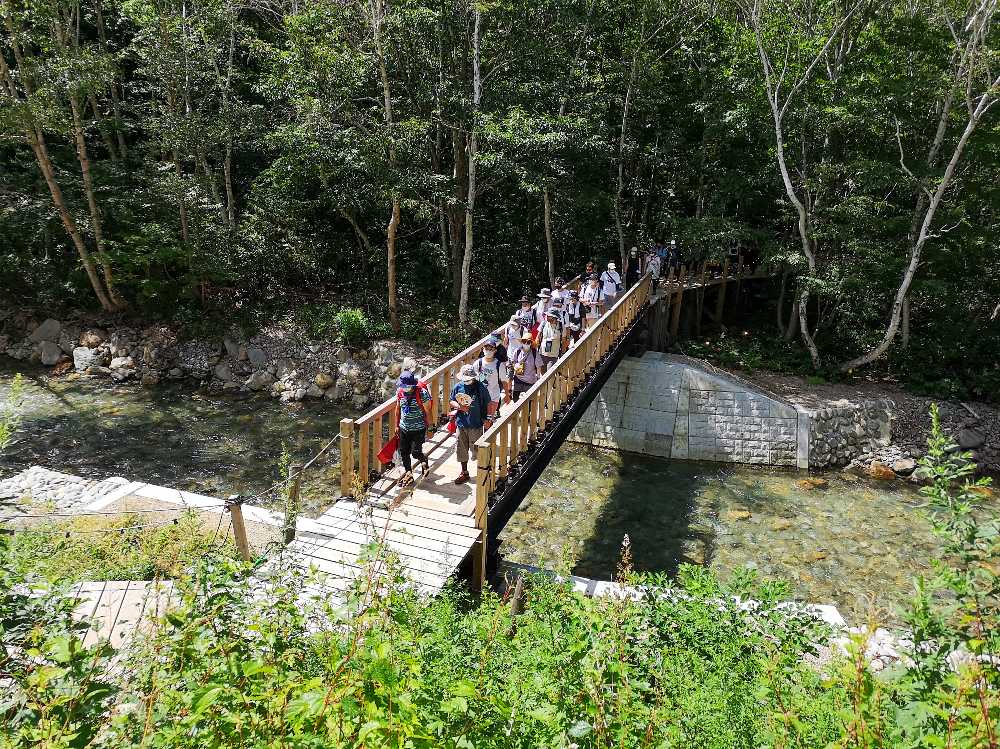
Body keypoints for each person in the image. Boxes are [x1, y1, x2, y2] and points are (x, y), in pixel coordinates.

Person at [449, 364, 493, 485]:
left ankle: (484, 472)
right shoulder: (458, 386)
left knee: (478, 450)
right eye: (465, 379)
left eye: (469, 378)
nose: (467, 381)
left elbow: (489, 403)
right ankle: (464, 472)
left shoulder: (481, 388)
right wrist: (459, 406)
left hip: (476, 423)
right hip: (461, 423)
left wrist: (488, 418)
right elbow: (452, 400)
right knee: (461, 448)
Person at [393, 370, 431, 487]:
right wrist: (396, 425)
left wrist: (430, 427)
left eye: (405, 386)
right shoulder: (400, 392)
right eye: (402, 385)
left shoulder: (422, 393)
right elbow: (398, 409)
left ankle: (423, 460)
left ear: (411, 385)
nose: (403, 387)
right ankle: (408, 472)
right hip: (404, 427)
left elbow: (428, 410)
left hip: (418, 428)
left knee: (415, 452)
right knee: (404, 451)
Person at [472, 334, 510, 410]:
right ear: (483, 349)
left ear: (495, 351)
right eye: (486, 348)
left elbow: (504, 381)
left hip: (493, 397)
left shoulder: (499, 365)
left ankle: (496, 412)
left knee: (488, 420)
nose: (488, 351)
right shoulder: (477, 363)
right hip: (480, 397)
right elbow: (472, 379)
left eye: (491, 349)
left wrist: (507, 394)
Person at [510, 330, 542, 402]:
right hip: (518, 378)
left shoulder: (534, 353)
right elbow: (513, 361)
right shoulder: (517, 351)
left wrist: (538, 377)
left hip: (530, 380)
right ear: (522, 342)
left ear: (531, 343)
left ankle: (529, 412)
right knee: (515, 398)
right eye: (524, 341)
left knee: (530, 400)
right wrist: (515, 366)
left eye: (528, 342)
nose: (526, 343)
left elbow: (538, 366)